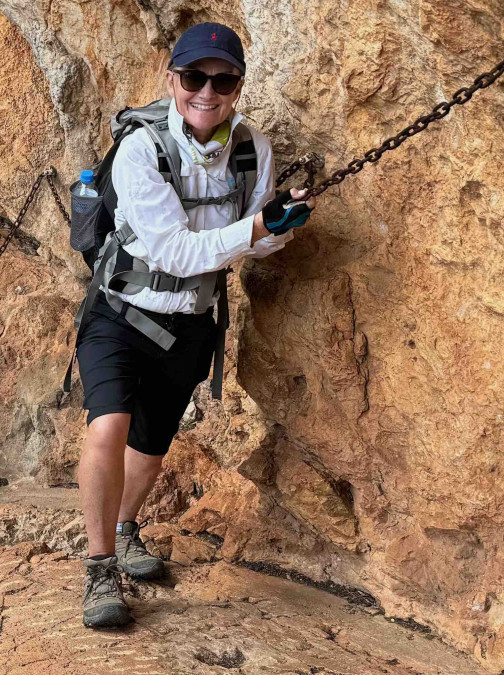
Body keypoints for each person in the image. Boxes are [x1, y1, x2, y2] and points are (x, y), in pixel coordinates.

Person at [75, 21, 310, 629]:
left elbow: (253, 243)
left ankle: (124, 530)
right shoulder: (141, 149)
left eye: (223, 81)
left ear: (238, 87)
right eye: (194, 77)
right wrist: (257, 229)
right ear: (172, 79)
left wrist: (279, 229)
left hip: (191, 324)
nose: (207, 92)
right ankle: (99, 568)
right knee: (109, 427)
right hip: (122, 314)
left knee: (151, 448)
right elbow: (172, 251)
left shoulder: (252, 149)